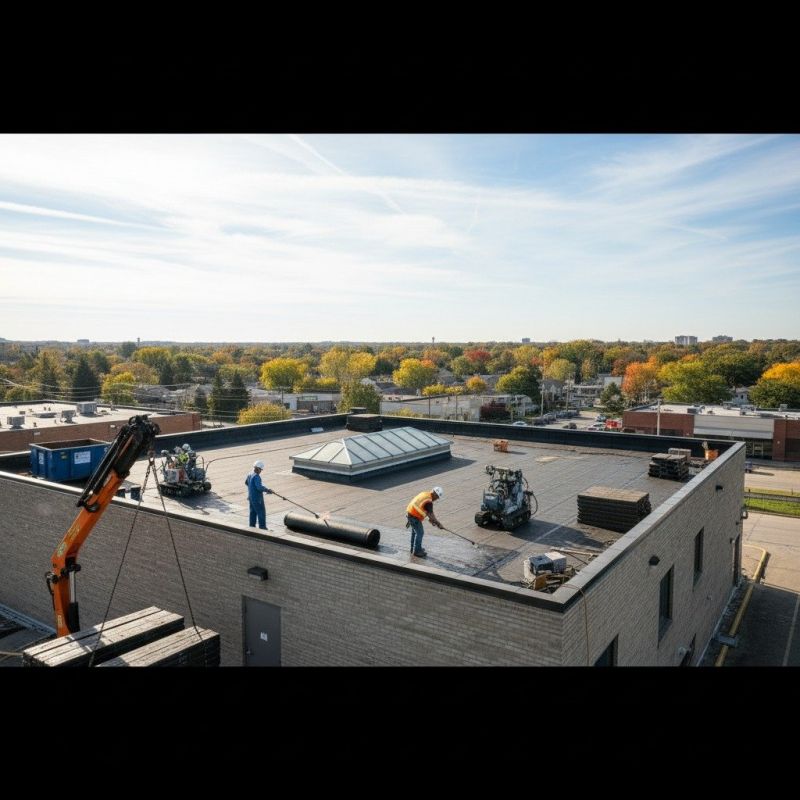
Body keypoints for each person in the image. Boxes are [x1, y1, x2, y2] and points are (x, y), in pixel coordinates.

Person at [405, 486, 444, 558]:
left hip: (410, 513)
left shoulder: (425, 494)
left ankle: (414, 548)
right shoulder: (429, 501)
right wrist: (439, 524)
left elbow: (425, 511)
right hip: (414, 516)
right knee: (420, 532)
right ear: (435, 494)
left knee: (415, 532)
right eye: (437, 497)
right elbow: (431, 514)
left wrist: (432, 520)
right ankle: (417, 551)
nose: (437, 499)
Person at [245, 459, 272, 529]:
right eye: (261, 470)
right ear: (258, 468)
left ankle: (252, 526)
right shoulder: (257, 477)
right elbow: (259, 487)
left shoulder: (249, 474)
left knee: (253, 512)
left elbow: (246, 483)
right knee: (261, 512)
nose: (261, 471)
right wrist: (267, 490)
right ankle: (262, 527)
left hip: (251, 497)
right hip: (257, 498)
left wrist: (251, 489)